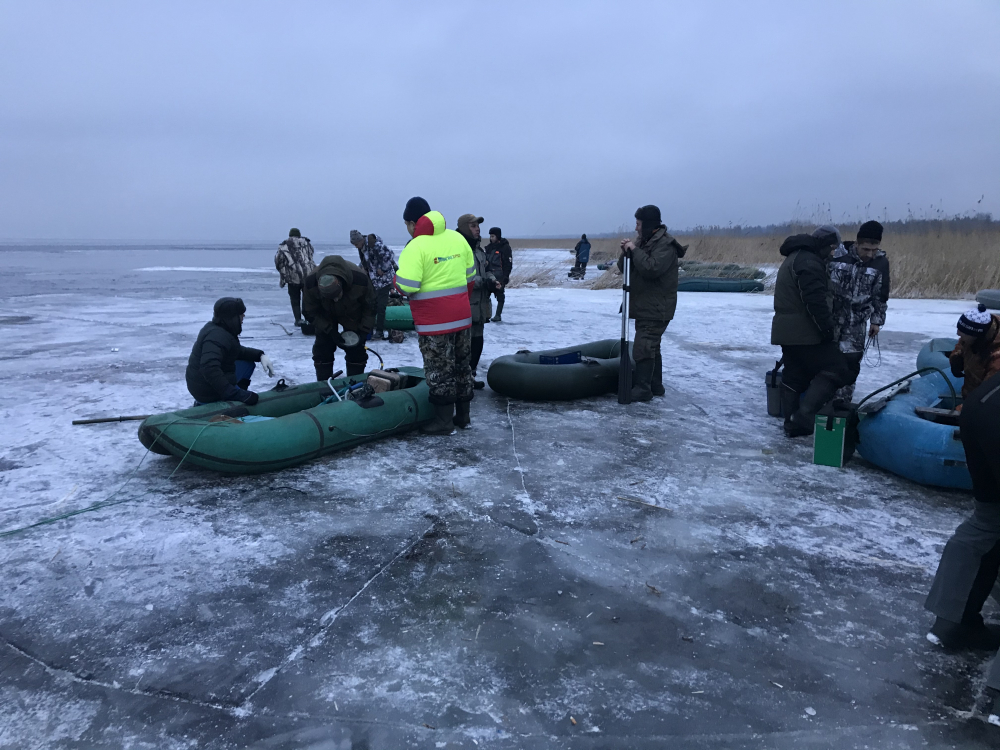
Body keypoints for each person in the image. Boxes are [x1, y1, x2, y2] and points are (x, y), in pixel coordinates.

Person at [924, 367, 1000, 657]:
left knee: (988, 518)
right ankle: (957, 624)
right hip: (992, 414)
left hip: (981, 406)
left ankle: (951, 623)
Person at [395, 197, 476, 434]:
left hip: (434, 323)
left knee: (440, 369)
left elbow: (407, 285)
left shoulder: (416, 245)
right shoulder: (457, 238)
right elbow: (469, 277)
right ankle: (463, 417)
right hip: (462, 317)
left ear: (412, 223)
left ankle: (443, 422)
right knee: (462, 366)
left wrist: (395, 280)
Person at [770, 225, 852, 437]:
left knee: (795, 375)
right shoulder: (809, 262)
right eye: (832, 249)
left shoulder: (797, 256)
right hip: (804, 332)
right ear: (825, 246)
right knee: (839, 368)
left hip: (786, 330)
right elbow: (814, 301)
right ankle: (803, 417)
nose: (833, 254)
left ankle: (791, 424)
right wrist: (826, 330)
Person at [617, 206, 687, 401]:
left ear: (647, 225)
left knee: (644, 345)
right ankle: (655, 385)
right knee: (652, 346)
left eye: (638, 224)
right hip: (646, 305)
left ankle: (643, 388)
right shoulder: (645, 241)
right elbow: (624, 268)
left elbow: (651, 268)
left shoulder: (665, 245)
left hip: (657, 306)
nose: (636, 229)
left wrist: (635, 250)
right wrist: (627, 251)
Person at [828, 220, 889, 403]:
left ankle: (842, 405)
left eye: (874, 250)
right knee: (827, 361)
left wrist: (877, 321)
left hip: (857, 323)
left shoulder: (880, 263)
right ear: (857, 243)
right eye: (865, 249)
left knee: (850, 364)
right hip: (831, 319)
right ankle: (820, 401)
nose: (870, 254)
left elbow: (881, 295)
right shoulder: (837, 257)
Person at [186, 297, 274, 405]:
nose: (243, 316)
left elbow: (237, 351)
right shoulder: (217, 336)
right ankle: (227, 399)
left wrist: (260, 355)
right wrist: (235, 394)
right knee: (238, 368)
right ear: (232, 317)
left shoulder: (221, 330)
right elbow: (209, 368)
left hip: (202, 384)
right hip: (205, 390)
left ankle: (235, 393)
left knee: (247, 364)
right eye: (240, 314)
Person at [302, 255, 376, 379]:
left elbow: (371, 306)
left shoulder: (360, 279)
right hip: (324, 313)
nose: (336, 300)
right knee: (322, 348)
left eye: (337, 295)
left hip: (352, 312)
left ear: (341, 284)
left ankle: (355, 383)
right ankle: (324, 384)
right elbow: (309, 311)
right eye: (331, 297)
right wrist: (329, 330)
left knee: (356, 349)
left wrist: (364, 330)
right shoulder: (311, 283)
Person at [457, 214, 501, 389]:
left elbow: (487, 269)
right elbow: (461, 277)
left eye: (478, 226)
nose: (478, 229)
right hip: (465, 306)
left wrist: (493, 280)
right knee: (463, 345)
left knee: (477, 342)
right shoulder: (458, 250)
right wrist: (483, 282)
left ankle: (471, 375)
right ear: (465, 228)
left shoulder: (479, 251)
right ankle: (461, 377)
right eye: (473, 226)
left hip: (481, 306)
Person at [350, 229, 397, 340]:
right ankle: (370, 329)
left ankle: (379, 332)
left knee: (381, 306)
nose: (356, 247)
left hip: (384, 280)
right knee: (372, 305)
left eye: (356, 244)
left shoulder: (375, 245)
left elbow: (390, 255)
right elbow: (367, 260)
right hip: (374, 281)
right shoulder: (363, 248)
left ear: (361, 240)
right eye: (354, 245)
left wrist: (383, 269)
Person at [949, 304, 1000, 399]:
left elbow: (988, 395)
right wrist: (956, 358)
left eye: (963, 334)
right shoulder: (973, 336)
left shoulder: (997, 358)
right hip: (970, 393)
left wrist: (966, 408)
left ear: (977, 336)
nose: (958, 334)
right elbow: (961, 345)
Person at [274, 228, 317, 327]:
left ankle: (298, 319)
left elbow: (278, 261)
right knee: (307, 297)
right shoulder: (307, 244)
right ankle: (308, 318)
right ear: (299, 235)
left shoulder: (284, 246)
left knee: (295, 298)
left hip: (293, 276)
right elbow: (310, 256)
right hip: (308, 275)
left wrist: (284, 274)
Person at [485, 227, 512, 322]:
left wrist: (505, 277)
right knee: (485, 296)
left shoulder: (505, 248)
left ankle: (498, 315)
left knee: (500, 296)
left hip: (499, 275)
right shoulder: (489, 248)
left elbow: (508, 264)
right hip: (488, 275)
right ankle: (485, 315)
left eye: (493, 236)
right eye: (490, 236)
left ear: (498, 236)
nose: (491, 238)